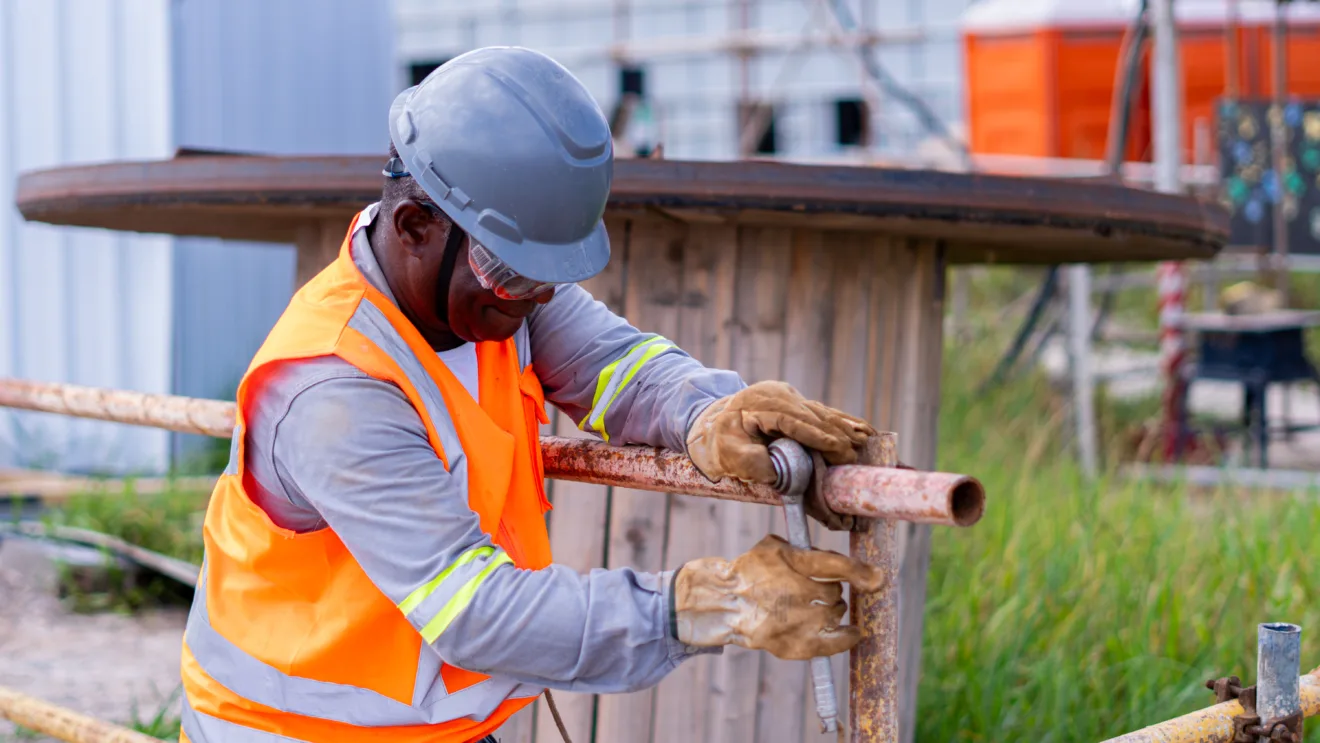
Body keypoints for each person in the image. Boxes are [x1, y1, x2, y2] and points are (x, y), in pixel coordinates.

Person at [178, 46, 885, 743]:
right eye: (518, 275)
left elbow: (617, 366)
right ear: (414, 228)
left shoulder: (488, 285)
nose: (539, 298)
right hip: (292, 728)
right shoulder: (333, 390)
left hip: (427, 724)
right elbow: (474, 610)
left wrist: (710, 413)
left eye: (548, 274)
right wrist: (709, 604)